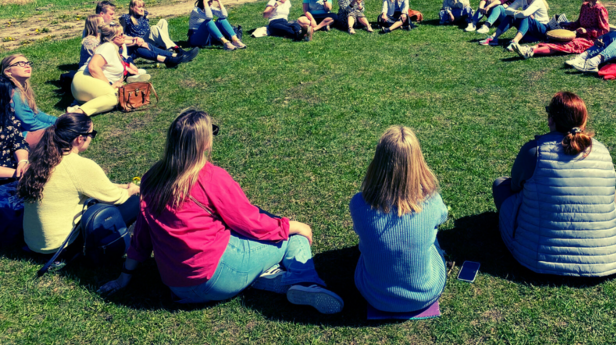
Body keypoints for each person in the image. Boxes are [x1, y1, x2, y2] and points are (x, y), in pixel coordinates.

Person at [98, 109, 343, 313]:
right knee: (293, 238)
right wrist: (291, 226)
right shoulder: (211, 177)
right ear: (204, 142)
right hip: (213, 277)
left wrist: (124, 276)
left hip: (178, 287)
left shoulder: (152, 177)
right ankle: (306, 281)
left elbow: (142, 233)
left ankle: (272, 279)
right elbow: (249, 222)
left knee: (246, 243)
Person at [493, 91, 616, 277]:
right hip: (609, 258)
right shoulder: (602, 150)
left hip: (539, 256)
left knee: (500, 185)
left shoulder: (535, 150)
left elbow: (514, 187)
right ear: (584, 121)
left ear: (551, 119)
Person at [350, 126, 448, 313]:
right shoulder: (432, 201)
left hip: (374, 295)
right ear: (418, 161)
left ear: (378, 162)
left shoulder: (359, 204)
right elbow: (443, 217)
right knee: (433, 238)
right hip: (426, 293)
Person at [18, 112, 140, 255]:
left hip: (35, 243)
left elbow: (91, 185)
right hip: (61, 246)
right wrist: (131, 190)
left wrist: (122, 186)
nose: (92, 138)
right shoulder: (80, 165)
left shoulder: (41, 159)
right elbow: (115, 197)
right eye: (91, 134)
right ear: (79, 139)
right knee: (136, 203)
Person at [514, 0, 610, 59]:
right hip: (578, 35)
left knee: (564, 45)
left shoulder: (600, 9)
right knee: (554, 40)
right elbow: (578, 23)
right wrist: (568, 24)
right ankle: (527, 49)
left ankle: (532, 51)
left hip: (591, 40)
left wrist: (587, 31)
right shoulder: (585, 6)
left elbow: (605, 31)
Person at [69, 24, 145, 116]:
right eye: (121, 34)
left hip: (90, 85)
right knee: (113, 98)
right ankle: (76, 113)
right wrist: (109, 86)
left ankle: (79, 106)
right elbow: (93, 67)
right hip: (84, 79)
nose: (124, 36)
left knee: (127, 95)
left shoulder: (115, 49)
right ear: (113, 38)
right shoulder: (108, 46)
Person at [120, 0, 198, 66]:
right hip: (138, 42)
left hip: (148, 39)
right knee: (154, 28)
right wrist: (134, 40)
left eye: (143, 7)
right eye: (139, 7)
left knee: (163, 21)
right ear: (132, 8)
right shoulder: (126, 18)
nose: (142, 9)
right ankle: (178, 50)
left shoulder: (144, 14)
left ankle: (168, 49)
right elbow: (121, 35)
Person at [1, 54, 57, 147]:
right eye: (20, 63)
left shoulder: (22, 89)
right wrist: (57, 127)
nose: (27, 66)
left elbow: (37, 113)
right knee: (63, 134)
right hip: (14, 138)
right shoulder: (13, 92)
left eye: (27, 63)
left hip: (24, 131)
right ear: (8, 71)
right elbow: (29, 123)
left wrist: (60, 121)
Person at [479, 0, 549, 50]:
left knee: (526, 17)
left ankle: (515, 42)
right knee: (510, 16)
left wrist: (519, 13)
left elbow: (525, 14)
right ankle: (493, 38)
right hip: (530, 28)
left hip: (542, 29)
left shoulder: (537, 0)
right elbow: (508, 10)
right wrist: (516, 12)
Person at [0, 78, 29, 182]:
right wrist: (17, 173)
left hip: (14, 171)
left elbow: (17, 139)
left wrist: (22, 162)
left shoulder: (6, 111)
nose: (11, 101)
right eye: (9, 98)